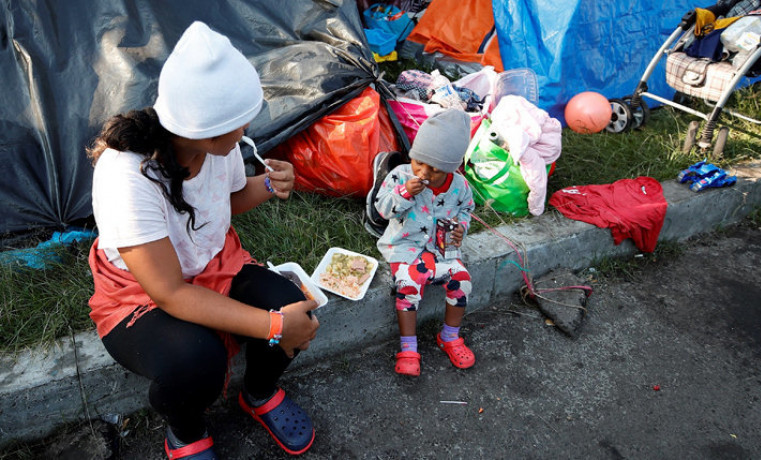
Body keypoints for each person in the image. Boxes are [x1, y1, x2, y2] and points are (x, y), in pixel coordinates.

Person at [86, 22, 319, 459]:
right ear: (206, 130)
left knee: (292, 302)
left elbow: (223, 200)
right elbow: (170, 292)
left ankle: (258, 392)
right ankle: (186, 430)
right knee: (196, 361)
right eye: (241, 121)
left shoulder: (219, 146)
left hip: (215, 261)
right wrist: (274, 327)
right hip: (142, 294)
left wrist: (268, 186)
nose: (248, 126)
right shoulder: (126, 176)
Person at [373, 109, 477, 377]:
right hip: (405, 248)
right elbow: (382, 209)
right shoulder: (400, 176)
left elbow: (466, 210)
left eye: (435, 169)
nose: (424, 172)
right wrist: (404, 193)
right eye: (419, 162)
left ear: (453, 167)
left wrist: (461, 229)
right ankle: (408, 346)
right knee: (408, 285)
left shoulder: (461, 187)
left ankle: (450, 336)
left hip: (442, 251)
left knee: (462, 281)